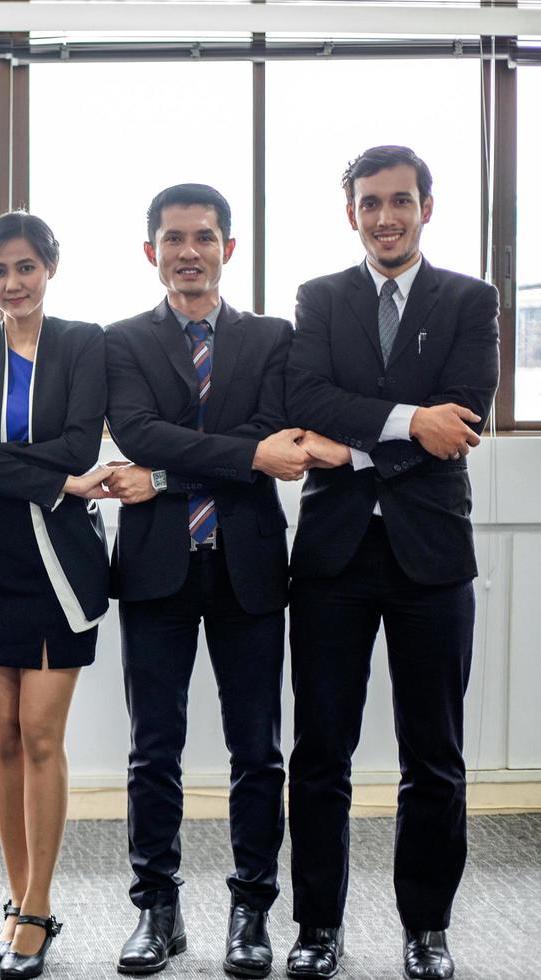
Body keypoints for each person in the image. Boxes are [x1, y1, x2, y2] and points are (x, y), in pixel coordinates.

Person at [282, 146, 499, 980]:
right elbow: (308, 399)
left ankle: (426, 929)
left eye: (400, 201)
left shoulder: (470, 300)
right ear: (351, 215)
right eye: (369, 203)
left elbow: (464, 417)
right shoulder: (321, 299)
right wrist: (412, 421)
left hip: (432, 557)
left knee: (434, 756)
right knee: (321, 752)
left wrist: (360, 450)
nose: (385, 217)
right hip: (334, 558)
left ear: (427, 207)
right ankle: (318, 928)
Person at [102, 183, 306, 978]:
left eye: (205, 237)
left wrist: (166, 474)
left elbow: (276, 436)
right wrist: (241, 457)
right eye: (174, 238)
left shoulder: (272, 338)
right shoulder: (122, 340)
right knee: (154, 749)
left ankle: (251, 908)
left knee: (257, 752)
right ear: (151, 251)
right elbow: (139, 430)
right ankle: (157, 908)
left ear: (230, 247)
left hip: (249, 567)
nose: (190, 251)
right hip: (157, 569)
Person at [0, 212, 113, 980]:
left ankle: (39, 906)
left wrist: (4, 465)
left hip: (60, 565)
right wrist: (44, 475)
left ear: (50, 268)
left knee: (42, 737)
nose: (13, 282)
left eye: (26, 267)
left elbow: (81, 446)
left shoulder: (84, 343)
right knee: (4, 737)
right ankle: (17, 903)